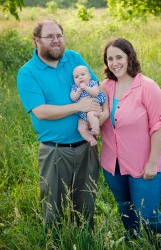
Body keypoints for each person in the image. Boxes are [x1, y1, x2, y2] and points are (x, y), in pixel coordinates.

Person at [17, 19, 107, 231]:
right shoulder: (28, 72)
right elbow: (41, 111)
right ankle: (54, 243)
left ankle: (84, 241)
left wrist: (100, 118)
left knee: (86, 207)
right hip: (55, 151)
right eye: (50, 36)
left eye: (59, 35)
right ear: (36, 40)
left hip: (86, 147)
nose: (56, 40)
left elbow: (96, 89)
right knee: (53, 209)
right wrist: (77, 107)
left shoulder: (73, 58)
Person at [100, 38, 161, 249]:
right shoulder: (105, 87)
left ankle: (160, 246)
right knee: (125, 208)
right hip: (112, 164)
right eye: (110, 58)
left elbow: (157, 127)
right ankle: (134, 244)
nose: (115, 63)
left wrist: (153, 163)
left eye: (119, 57)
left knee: (148, 215)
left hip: (143, 164)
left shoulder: (148, 87)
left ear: (129, 57)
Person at [70, 65, 106, 146]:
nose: (80, 77)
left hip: (93, 109)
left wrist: (86, 87)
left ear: (89, 76)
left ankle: (95, 129)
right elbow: (73, 98)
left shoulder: (92, 83)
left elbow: (95, 92)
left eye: (83, 75)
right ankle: (91, 139)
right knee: (81, 127)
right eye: (76, 77)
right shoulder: (75, 87)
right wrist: (78, 92)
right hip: (82, 115)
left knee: (91, 115)